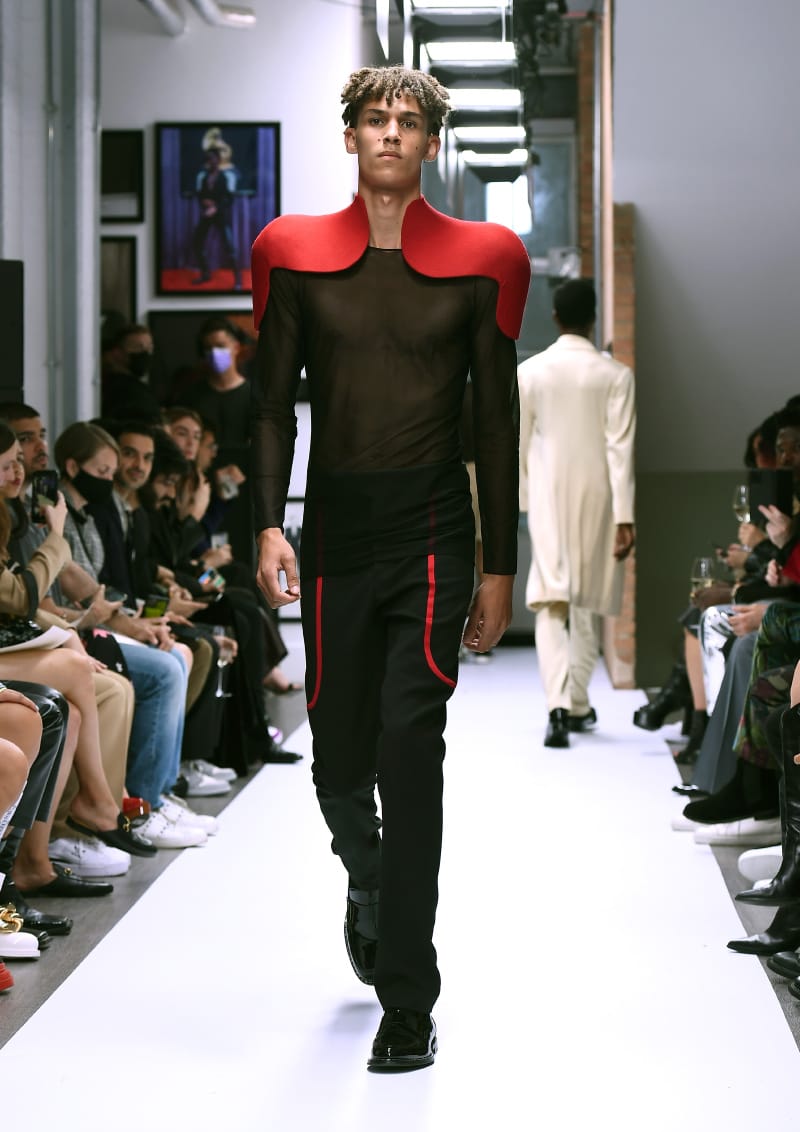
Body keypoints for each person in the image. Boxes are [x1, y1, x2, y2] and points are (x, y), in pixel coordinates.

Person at [250, 65, 530, 1071]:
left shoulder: (484, 258)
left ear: (430, 144)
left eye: (409, 121)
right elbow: (271, 405)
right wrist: (266, 525)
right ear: (350, 135)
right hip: (334, 531)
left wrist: (499, 565)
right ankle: (367, 880)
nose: (391, 133)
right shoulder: (291, 253)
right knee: (337, 757)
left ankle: (407, 998)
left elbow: (493, 423)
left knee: (412, 746)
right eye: (376, 118)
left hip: (433, 529)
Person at [518, 279, 635, 748]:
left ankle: (560, 706)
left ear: (555, 318)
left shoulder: (531, 372)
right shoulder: (615, 375)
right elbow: (620, 449)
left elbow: (518, 442)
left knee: (551, 598)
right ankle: (578, 701)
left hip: (547, 495)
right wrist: (625, 517)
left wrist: (521, 500)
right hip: (599, 498)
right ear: (594, 318)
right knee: (585, 597)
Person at [191, 144, 241, 290]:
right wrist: (204, 202)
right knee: (197, 243)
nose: (210, 161)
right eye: (208, 159)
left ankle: (238, 280)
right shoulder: (202, 177)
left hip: (220, 215)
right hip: (206, 214)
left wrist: (216, 207)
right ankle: (205, 273)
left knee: (229, 247)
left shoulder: (227, 177)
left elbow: (229, 199)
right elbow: (200, 195)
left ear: (218, 160)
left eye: (213, 159)